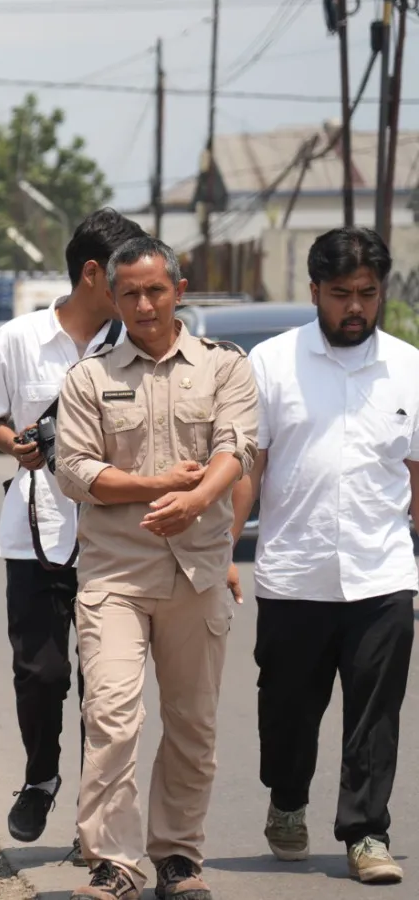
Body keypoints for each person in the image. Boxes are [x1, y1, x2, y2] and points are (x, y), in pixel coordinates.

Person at [54, 235, 257, 900]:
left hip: (196, 572)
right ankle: (113, 860)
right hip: (114, 575)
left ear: (179, 291)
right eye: (130, 292)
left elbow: (238, 446)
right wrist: (155, 486)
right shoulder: (89, 378)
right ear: (112, 297)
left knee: (192, 722)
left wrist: (198, 498)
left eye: (155, 290)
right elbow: (76, 470)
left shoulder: (225, 366)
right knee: (111, 713)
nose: (143, 304)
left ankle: (178, 857)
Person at [236, 227, 418, 886]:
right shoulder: (272, 364)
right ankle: (287, 800)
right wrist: (224, 550)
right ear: (313, 291)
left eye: (367, 294)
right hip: (293, 577)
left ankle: (366, 831)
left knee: (375, 716)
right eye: (340, 294)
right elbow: (248, 468)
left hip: (383, 575)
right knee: (286, 712)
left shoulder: (409, 367)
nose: (355, 308)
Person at [0, 208, 145, 850]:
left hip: (115, 537)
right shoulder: (16, 340)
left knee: (108, 687)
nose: (139, 291)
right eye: (127, 273)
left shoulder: (134, 344)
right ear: (95, 273)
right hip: (35, 533)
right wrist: (13, 445)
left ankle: (94, 822)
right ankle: (41, 776)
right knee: (41, 674)